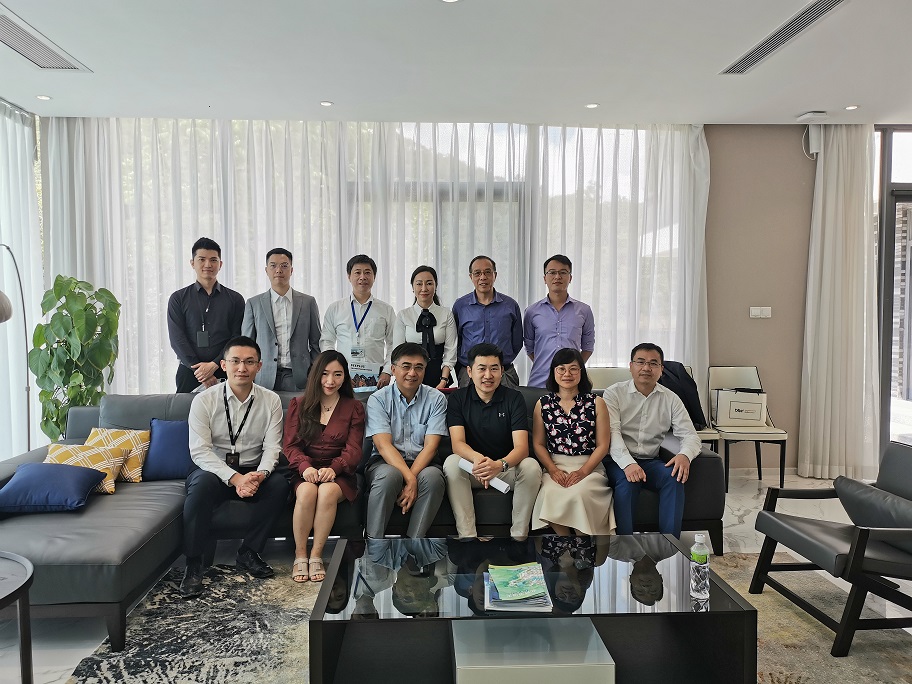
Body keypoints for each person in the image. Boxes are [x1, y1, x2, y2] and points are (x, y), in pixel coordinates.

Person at [180, 336, 290, 598]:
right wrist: (235, 479)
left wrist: (260, 475)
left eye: (249, 362)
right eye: (236, 361)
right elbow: (200, 451)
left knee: (279, 484)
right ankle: (194, 563)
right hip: (214, 469)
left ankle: (249, 552)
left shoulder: (271, 400)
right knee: (201, 486)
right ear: (223, 365)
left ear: (259, 366)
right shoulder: (204, 400)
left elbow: (272, 448)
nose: (242, 368)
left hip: (253, 469)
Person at [443, 343, 541, 540]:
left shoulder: (514, 398)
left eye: (494, 369)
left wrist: (499, 465)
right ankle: (468, 538)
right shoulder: (458, 399)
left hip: (505, 470)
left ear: (502, 371)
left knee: (531, 466)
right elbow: (458, 443)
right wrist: (479, 461)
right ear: (469, 372)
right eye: (482, 369)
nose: (488, 375)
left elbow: (522, 448)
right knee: (452, 463)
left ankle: (518, 537)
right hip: (473, 469)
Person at [602, 343, 701, 537]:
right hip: (616, 461)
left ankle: (669, 544)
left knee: (674, 478)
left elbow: (690, 435)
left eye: (653, 363)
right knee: (629, 483)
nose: (646, 368)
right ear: (631, 366)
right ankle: (625, 545)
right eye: (640, 362)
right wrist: (628, 464)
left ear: (661, 369)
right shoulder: (614, 393)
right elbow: (612, 433)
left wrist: (685, 455)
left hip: (650, 461)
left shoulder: (671, 399)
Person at [283, 350, 365, 583]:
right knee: (307, 491)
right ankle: (300, 554)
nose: (330, 381)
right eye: (325, 374)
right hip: (304, 471)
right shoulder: (299, 405)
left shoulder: (354, 407)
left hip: (340, 473)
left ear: (345, 377)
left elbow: (354, 449)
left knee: (327, 491)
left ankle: (316, 555)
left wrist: (334, 468)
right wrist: (305, 467)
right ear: (316, 375)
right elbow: (290, 446)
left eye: (338, 374)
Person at [364, 342, 448, 539]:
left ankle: (414, 545)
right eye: (406, 366)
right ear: (393, 369)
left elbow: (431, 447)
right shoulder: (378, 399)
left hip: (424, 463)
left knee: (434, 478)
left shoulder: (436, 399)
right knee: (389, 476)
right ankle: (374, 544)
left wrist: (413, 477)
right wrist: (410, 480)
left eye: (419, 367)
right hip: (384, 462)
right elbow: (383, 446)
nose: (412, 373)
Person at [530, 348, 614, 536]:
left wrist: (583, 472)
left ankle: (584, 544)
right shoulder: (543, 404)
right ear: (553, 372)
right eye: (561, 369)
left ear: (581, 372)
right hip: (556, 466)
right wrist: (552, 470)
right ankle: (566, 544)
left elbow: (603, 445)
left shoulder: (596, 402)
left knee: (579, 493)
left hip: (589, 466)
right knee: (549, 493)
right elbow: (538, 444)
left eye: (573, 369)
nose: (567, 374)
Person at [167, 237, 245, 393]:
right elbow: (177, 339)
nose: (208, 264)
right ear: (192, 263)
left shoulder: (235, 299)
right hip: (189, 372)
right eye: (202, 259)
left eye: (213, 260)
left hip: (225, 370)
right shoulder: (178, 298)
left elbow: (236, 337)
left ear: (220, 264)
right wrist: (201, 372)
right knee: (185, 409)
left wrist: (214, 364)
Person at [241, 248, 322, 392]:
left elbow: (316, 343)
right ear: (266, 270)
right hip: (263, 377)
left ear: (291, 270)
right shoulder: (254, 303)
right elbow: (247, 344)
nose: (279, 270)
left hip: (300, 377)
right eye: (273, 266)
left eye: (284, 266)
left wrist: (314, 373)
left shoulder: (308, 302)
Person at [320, 254, 395, 390]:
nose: (362, 277)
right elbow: (327, 342)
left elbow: (393, 344)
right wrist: (335, 371)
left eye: (367, 273)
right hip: (343, 377)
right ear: (349, 276)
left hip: (377, 379)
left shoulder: (386, 310)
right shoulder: (335, 309)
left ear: (374, 277)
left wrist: (387, 371)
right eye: (357, 272)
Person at [523, 254, 595, 388]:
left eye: (563, 272)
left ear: (570, 278)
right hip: (540, 382)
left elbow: (588, 347)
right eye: (552, 272)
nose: (557, 277)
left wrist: (573, 367)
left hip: (572, 383)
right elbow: (529, 347)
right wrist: (546, 365)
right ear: (545, 278)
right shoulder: (531, 311)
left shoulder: (584, 310)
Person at [452, 256, 523, 388]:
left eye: (487, 272)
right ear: (471, 277)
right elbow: (455, 340)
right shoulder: (460, 306)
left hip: (504, 373)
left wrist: (503, 361)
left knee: (509, 402)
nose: (483, 277)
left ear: (495, 275)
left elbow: (517, 341)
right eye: (477, 273)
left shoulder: (510, 305)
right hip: (469, 375)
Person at [393, 265, 457, 389]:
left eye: (429, 283)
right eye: (419, 284)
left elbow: (451, 350)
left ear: (435, 286)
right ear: (413, 288)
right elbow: (397, 352)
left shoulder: (446, 314)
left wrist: (443, 380)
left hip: (439, 376)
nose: (424, 288)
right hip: (410, 376)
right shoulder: (403, 315)